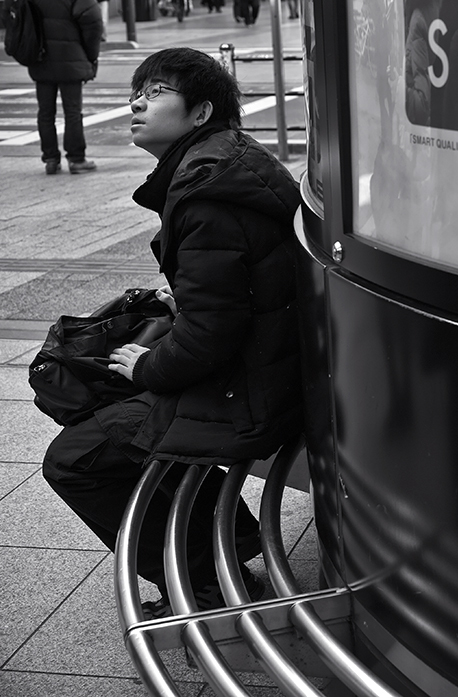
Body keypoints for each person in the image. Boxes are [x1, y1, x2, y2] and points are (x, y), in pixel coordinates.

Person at [42, 47, 304, 618]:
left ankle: (204, 586)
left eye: (155, 92)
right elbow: (227, 298)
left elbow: (211, 335)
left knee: (74, 458)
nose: (136, 102)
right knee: (88, 398)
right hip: (270, 364)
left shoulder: (207, 191)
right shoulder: (220, 165)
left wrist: (146, 366)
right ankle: (227, 543)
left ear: (200, 111)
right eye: (136, 92)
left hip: (251, 390)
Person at [14, 0, 103, 174]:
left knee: (45, 112)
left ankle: (50, 159)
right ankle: (76, 159)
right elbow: (94, 24)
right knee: (73, 112)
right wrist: (90, 56)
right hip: (70, 59)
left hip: (40, 58)